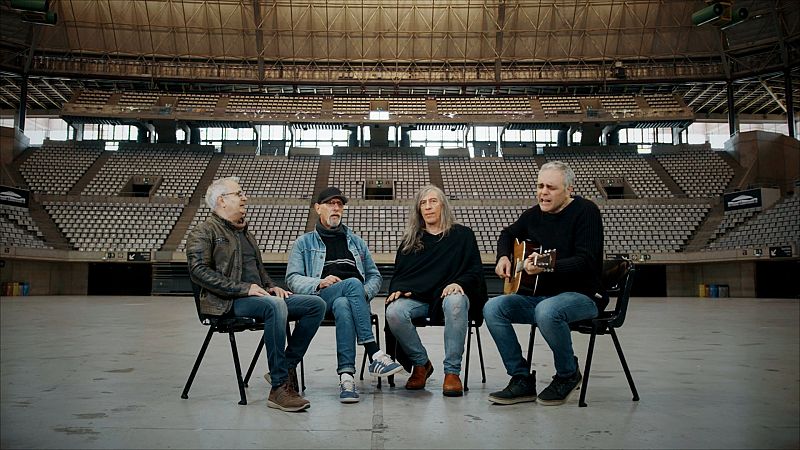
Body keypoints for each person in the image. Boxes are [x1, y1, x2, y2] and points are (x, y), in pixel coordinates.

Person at [186, 177, 326, 412]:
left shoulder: (244, 232)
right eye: (238, 194)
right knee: (275, 306)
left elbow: (258, 271)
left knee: (316, 304)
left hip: (257, 298)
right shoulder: (203, 231)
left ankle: (283, 367)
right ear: (222, 201)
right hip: (226, 303)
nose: (244, 198)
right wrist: (244, 289)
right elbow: (198, 272)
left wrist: (271, 286)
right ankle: (279, 388)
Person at [483, 161, 607, 406]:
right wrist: (504, 256)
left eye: (551, 187)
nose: (543, 192)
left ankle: (568, 374)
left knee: (547, 311)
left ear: (569, 189)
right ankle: (521, 379)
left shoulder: (586, 211)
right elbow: (507, 233)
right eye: (540, 186)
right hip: (541, 297)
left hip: (584, 296)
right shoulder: (534, 214)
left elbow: (586, 261)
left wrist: (546, 264)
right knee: (493, 308)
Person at [286, 186, 403, 404]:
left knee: (344, 303)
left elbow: (374, 276)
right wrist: (319, 282)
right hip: (321, 298)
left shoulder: (356, 242)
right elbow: (293, 279)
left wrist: (362, 292)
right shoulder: (304, 243)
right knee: (350, 285)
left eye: (339, 204)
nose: (336, 208)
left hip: (348, 300)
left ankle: (346, 378)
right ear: (317, 208)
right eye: (331, 203)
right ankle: (374, 352)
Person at [385, 185, 487, 397]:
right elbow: (400, 275)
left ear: (443, 205)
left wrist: (459, 282)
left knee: (455, 301)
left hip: (449, 296)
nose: (428, 207)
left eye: (433, 202)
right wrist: (399, 290)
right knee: (394, 311)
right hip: (420, 298)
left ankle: (452, 372)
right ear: (418, 209)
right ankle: (421, 364)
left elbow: (475, 271)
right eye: (423, 203)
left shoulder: (463, 235)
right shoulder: (411, 240)